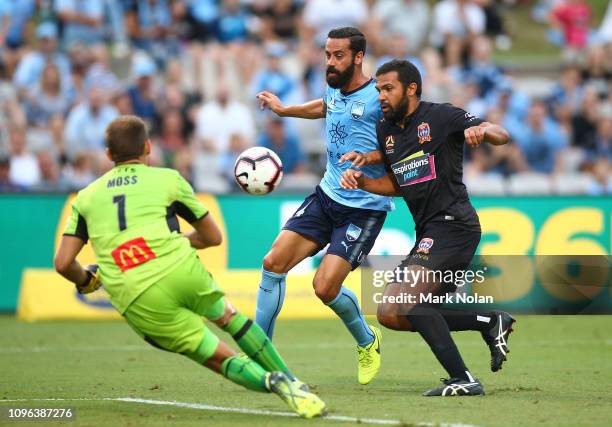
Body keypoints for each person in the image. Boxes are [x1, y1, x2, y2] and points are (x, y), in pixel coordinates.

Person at [54, 116, 326, 418]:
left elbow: (64, 263)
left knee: (214, 355)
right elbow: (212, 237)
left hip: (135, 293)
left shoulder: (86, 197)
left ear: (108, 155)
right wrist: (174, 239)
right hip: (180, 268)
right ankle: (292, 379)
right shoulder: (168, 179)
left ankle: (271, 383)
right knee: (230, 319)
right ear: (147, 147)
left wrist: (87, 281)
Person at [340, 59, 515, 396]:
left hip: (455, 225)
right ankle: (490, 322)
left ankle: (464, 379)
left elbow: (501, 134)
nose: (381, 96)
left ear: (411, 89)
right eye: (378, 90)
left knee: (410, 303)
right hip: (429, 231)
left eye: (388, 89)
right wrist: (361, 181)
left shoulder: (441, 116)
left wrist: (483, 131)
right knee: (391, 313)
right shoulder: (386, 131)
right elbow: (398, 183)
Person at [255, 27, 393, 385]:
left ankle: (368, 340)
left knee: (325, 288)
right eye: (328, 54)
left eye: (338, 56)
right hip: (326, 196)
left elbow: (402, 147)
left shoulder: (381, 97)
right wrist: (285, 110)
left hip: (365, 207)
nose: (330, 62)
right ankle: (258, 355)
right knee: (272, 263)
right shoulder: (334, 87)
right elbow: (324, 107)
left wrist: (367, 159)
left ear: (358, 57)